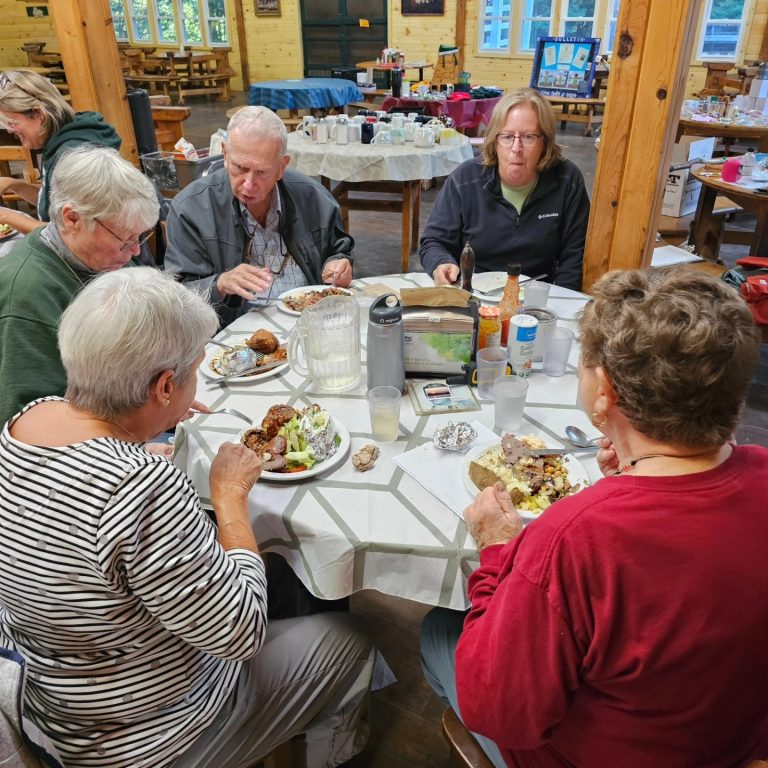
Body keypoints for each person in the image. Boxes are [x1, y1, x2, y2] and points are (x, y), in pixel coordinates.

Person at [0, 266, 375, 768]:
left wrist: (136, 440)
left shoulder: (25, 422)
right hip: (145, 737)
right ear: (162, 386)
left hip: (58, 699)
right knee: (356, 639)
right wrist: (229, 496)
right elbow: (239, 632)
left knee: (286, 581)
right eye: (193, 371)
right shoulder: (140, 487)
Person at [420, 267, 768, 767]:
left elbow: (497, 709)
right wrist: (630, 475)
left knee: (437, 629)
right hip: (732, 740)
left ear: (605, 391)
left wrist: (496, 552)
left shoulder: (571, 538)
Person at [0, 144, 158, 427]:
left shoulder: (107, 258)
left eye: (139, 237)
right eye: (125, 239)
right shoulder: (25, 296)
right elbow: (27, 427)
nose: (135, 251)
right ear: (72, 219)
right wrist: (125, 443)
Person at [164, 106, 354, 327]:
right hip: (234, 332)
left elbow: (337, 250)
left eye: (262, 172)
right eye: (240, 168)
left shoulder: (314, 198)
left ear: (282, 167)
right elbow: (177, 294)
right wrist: (220, 284)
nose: (249, 184)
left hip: (312, 321)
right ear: (225, 154)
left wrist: (338, 264)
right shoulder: (191, 208)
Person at [419, 88, 590, 291]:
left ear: (544, 142)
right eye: (507, 137)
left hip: (538, 295)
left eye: (528, 137)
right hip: (473, 291)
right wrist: (441, 263)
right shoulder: (465, 179)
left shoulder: (567, 180)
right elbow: (434, 241)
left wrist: (559, 303)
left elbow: (574, 255)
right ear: (494, 140)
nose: (516, 148)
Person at [0, 69, 121, 234]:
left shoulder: (73, 156)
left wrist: (4, 216)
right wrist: (13, 185)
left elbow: (67, 234)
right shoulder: (62, 138)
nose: (9, 130)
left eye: (12, 122)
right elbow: (55, 203)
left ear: (38, 114)